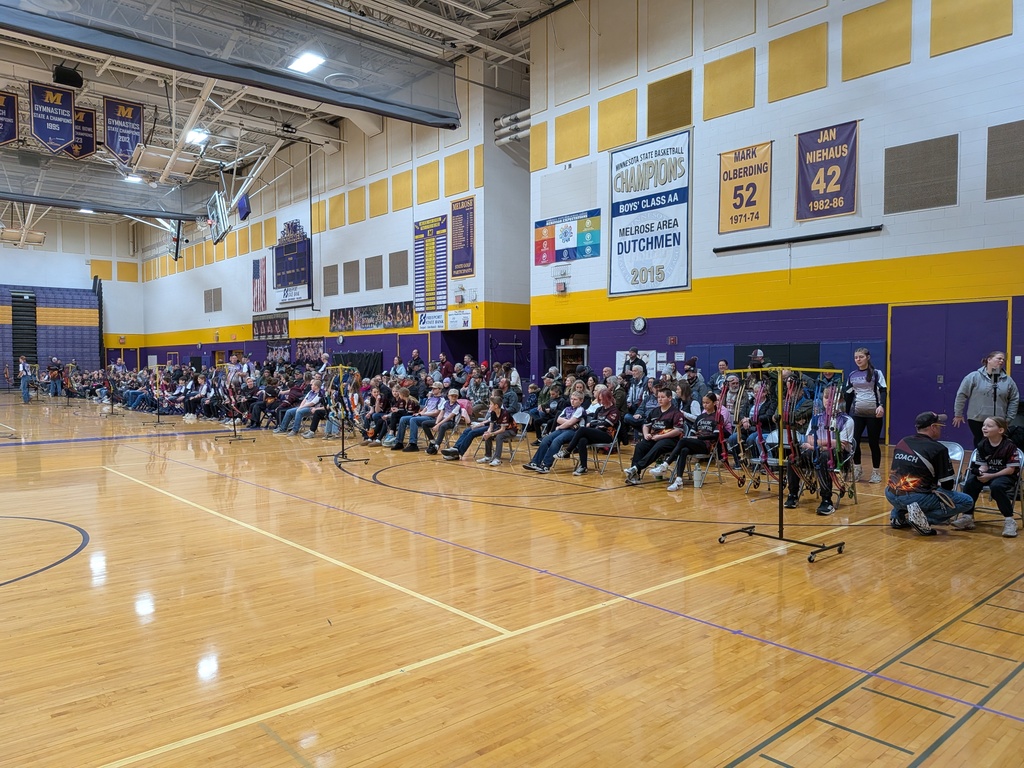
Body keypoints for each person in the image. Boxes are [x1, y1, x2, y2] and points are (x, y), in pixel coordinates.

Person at [885, 412, 973, 536]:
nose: (941, 428)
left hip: (890, 493)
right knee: (967, 501)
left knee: (905, 485)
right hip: (915, 499)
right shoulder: (938, 448)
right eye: (940, 425)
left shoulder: (902, 442)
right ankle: (922, 519)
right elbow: (947, 485)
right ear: (933, 427)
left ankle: (897, 516)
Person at [783, 386, 854, 515]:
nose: (829, 401)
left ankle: (826, 500)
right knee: (794, 456)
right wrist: (822, 444)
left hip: (839, 457)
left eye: (833, 398)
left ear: (840, 400)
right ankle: (793, 494)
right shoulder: (816, 418)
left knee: (825, 456)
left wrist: (818, 445)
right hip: (817, 452)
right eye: (826, 398)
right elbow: (809, 439)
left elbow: (840, 445)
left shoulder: (847, 420)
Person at [950, 416, 1021, 537]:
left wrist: (991, 476)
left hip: (1006, 475)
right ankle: (968, 517)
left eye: (989, 426)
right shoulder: (982, 445)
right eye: (984, 425)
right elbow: (984, 466)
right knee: (971, 483)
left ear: (1000, 430)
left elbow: (1010, 470)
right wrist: (981, 472)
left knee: (997, 486)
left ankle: (1009, 521)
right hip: (990, 473)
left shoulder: (1009, 446)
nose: (984, 428)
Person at [952, 351, 1019, 446]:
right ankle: (979, 460)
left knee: (997, 443)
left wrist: (1008, 418)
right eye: (999, 358)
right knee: (981, 443)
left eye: (1003, 359)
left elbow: (1014, 399)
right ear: (989, 360)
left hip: (998, 419)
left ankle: (996, 460)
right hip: (978, 419)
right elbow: (962, 395)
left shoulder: (1008, 380)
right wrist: (958, 414)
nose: (1001, 361)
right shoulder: (973, 376)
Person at [623, 386, 684, 486]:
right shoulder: (654, 411)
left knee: (659, 445)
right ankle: (635, 475)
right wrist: (646, 434)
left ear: (669, 398)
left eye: (662, 397)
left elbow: (678, 431)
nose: (659, 399)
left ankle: (636, 468)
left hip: (670, 440)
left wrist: (660, 437)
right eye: (658, 397)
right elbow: (646, 425)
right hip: (655, 437)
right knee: (640, 446)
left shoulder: (676, 413)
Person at [555, 388, 621, 476]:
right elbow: (592, 423)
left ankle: (568, 450)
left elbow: (606, 424)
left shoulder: (614, 410)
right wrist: (597, 424)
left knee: (582, 430)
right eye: (599, 398)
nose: (600, 401)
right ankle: (583, 466)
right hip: (596, 432)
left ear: (608, 398)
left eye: (602, 399)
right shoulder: (599, 409)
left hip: (607, 435)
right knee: (582, 439)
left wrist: (596, 424)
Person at [846, 347, 887, 484]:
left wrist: (881, 406)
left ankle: (876, 473)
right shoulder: (852, 375)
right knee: (855, 442)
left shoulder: (876, 373)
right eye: (856, 357)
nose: (858, 360)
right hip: (857, 414)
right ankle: (857, 469)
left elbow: (883, 391)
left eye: (861, 357)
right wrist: (845, 414)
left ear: (867, 357)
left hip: (873, 414)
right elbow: (848, 395)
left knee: (873, 443)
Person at [523, 391, 586, 474]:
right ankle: (535, 462)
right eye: (571, 399)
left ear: (581, 401)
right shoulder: (567, 409)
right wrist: (568, 423)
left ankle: (546, 465)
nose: (572, 401)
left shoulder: (580, 410)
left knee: (557, 440)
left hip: (574, 432)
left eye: (575, 399)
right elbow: (559, 419)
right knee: (546, 439)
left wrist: (561, 426)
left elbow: (570, 423)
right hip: (564, 429)